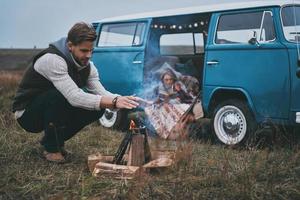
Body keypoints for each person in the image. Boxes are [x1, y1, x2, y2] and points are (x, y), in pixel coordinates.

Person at [12, 22, 140, 163]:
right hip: (28, 114)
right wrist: (113, 101)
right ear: (70, 46)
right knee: (58, 96)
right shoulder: (52, 59)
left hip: (52, 108)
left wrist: (122, 99)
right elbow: (74, 97)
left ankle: (55, 139)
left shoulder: (89, 67)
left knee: (98, 108)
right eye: (84, 51)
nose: (89, 55)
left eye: (92, 51)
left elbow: (101, 93)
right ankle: (51, 147)